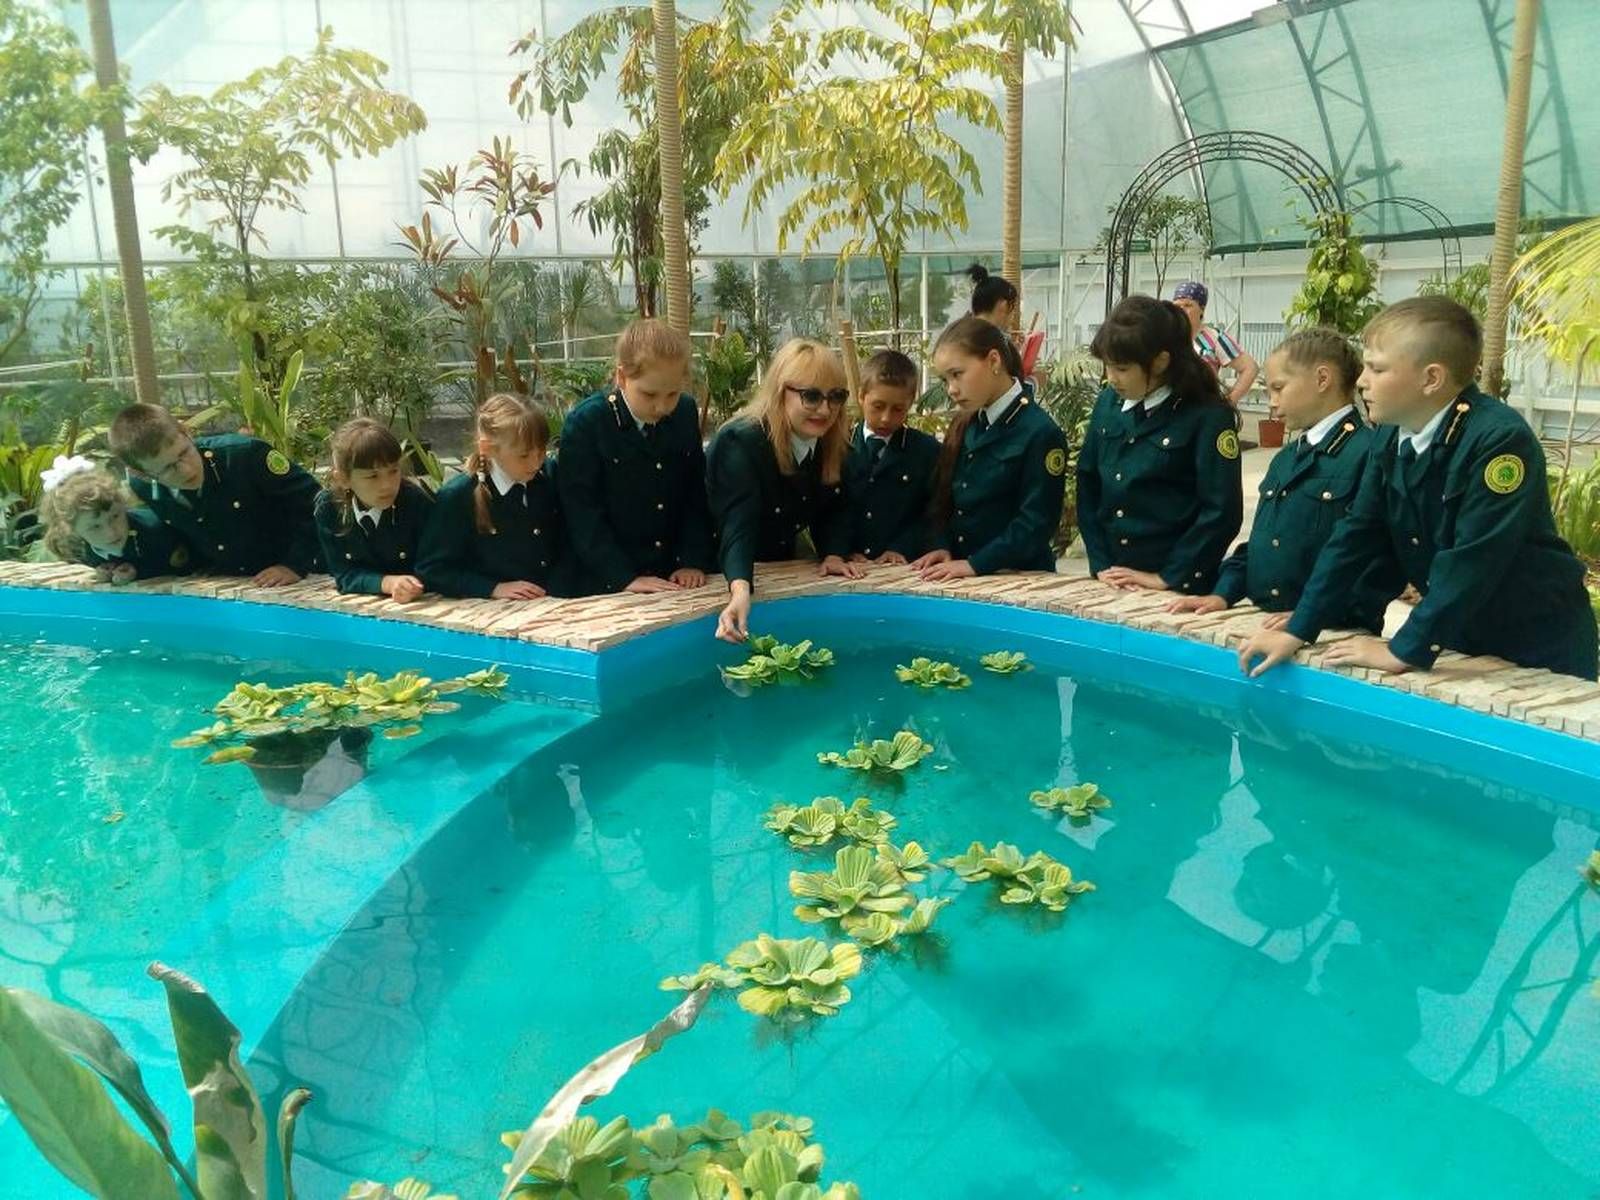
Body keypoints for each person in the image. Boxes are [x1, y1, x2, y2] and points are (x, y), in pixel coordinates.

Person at [1238, 296, 1599, 681]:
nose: (1361, 380)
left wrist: (1402, 650)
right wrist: (1300, 627)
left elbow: (1473, 558)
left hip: (1535, 641)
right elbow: (1356, 536)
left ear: (1431, 379)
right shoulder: (1391, 435)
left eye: (1377, 368)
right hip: (1460, 633)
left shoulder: (1498, 441)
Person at [1169, 328, 1385, 629]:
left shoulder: (1370, 454)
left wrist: (1314, 616)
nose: (1271, 402)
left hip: (1331, 630)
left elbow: (1374, 560)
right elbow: (1263, 543)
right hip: (1270, 621)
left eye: (1279, 388)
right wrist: (1222, 593)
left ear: (1322, 380)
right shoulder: (1288, 457)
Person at [1076, 295, 1243, 595]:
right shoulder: (1109, 404)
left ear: (1161, 361)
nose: (1111, 379)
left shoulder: (1206, 416)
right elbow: (1088, 482)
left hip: (1174, 585)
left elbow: (1221, 512)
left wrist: (1170, 576)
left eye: (1123, 369)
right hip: (1112, 577)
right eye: (1108, 367)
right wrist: (1101, 564)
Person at [707, 338, 862, 642]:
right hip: (717, 565)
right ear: (781, 392)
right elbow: (738, 524)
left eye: (836, 397)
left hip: (777, 561)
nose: (825, 409)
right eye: (811, 396)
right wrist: (739, 590)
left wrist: (833, 553)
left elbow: (836, 507)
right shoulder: (740, 443)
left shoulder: (835, 445)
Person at [556, 319, 713, 595]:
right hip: (608, 582)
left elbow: (695, 494)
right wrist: (622, 577)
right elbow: (582, 514)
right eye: (649, 394)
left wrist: (691, 560)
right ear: (621, 377)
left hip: (675, 574)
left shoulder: (685, 412)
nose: (662, 406)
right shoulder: (587, 424)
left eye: (673, 393)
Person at [910, 315, 1068, 580]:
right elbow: (942, 498)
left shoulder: (1040, 432)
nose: (951, 389)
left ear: (994, 361)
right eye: (945, 380)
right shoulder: (966, 423)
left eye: (957, 374)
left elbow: (1035, 523)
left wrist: (976, 564)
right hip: (962, 574)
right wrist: (942, 546)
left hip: (1019, 579)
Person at [109, 402, 321, 585]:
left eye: (184, 453)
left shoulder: (244, 456)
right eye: (167, 469)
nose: (186, 470)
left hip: (302, 574)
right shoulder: (143, 487)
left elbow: (319, 504)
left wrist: (295, 565)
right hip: (235, 585)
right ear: (141, 474)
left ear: (186, 432)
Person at [416, 393, 565, 600]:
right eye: (523, 455)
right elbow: (432, 569)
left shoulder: (550, 475)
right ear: (487, 448)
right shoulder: (457, 496)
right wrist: (492, 588)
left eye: (541, 452)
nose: (535, 464)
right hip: (495, 614)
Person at [315, 418, 433, 601]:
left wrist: (411, 585)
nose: (387, 485)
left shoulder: (417, 503)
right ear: (343, 479)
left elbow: (434, 568)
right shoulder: (329, 508)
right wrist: (387, 583)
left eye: (393, 471)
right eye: (372, 476)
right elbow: (344, 574)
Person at [844, 348, 939, 564]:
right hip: (849, 566)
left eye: (898, 409)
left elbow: (933, 512)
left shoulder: (925, 451)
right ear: (861, 396)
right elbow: (828, 510)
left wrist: (902, 548)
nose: (886, 418)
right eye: (878, 406)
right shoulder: (840, 446)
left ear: (910, 403)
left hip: (902, 567)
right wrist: (841, 550)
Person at [38, 455, 191, 582]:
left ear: (124, 506)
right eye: (95, 527)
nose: (111, 533)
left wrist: (140, 571)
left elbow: (192, 563)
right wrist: (103, 570)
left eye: (115, 517)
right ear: (71, 529)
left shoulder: (155, 531)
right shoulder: (76, 547)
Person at [1172, 281, 1259, 408]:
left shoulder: (1215, 338)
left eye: (1188, 305)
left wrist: (1229, 401)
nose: (1181, 310)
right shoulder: (1167, 336)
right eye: (1177, 306)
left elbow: (1250, 368)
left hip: (1202, 409)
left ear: (1202, 309)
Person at [968, 263, 1043, 382]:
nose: (1013, 316)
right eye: (1013, 308)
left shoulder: (966, 333)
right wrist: (1034, 382)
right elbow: (1002, 387)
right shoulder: (990, 339)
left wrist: (1012, 350)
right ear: (1003, 306)